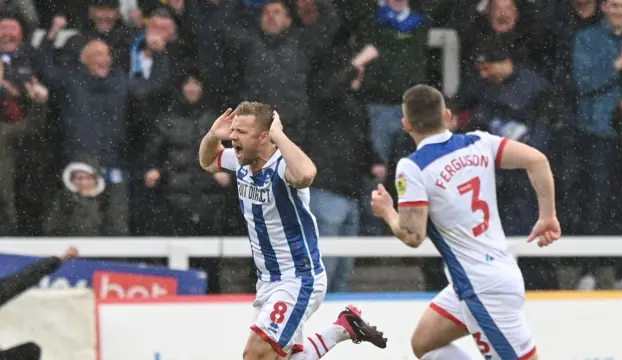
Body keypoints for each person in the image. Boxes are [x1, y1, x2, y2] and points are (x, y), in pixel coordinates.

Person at [371, 85, 561, 360]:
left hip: (481, 288)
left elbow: (413, 235)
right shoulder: (479, 142)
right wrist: (547, 216)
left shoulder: (413, 166)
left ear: (406, 124)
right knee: (425, 343)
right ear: (447, 115)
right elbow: (537, 160)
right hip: (488, 276)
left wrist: (388, 211)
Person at [198, 101, 387, 360]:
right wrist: (211, 135)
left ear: (264, 136)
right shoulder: (242, 161)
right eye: (233, 130)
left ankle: (340, 329)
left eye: (241, 132)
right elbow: (208, 161)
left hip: (297, 278)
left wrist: (279, 135)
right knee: (278, 358)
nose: (232, 137)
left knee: (255, 355)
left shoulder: (283, 167)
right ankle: (343, 328)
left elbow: (307, 174)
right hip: (267, 280)